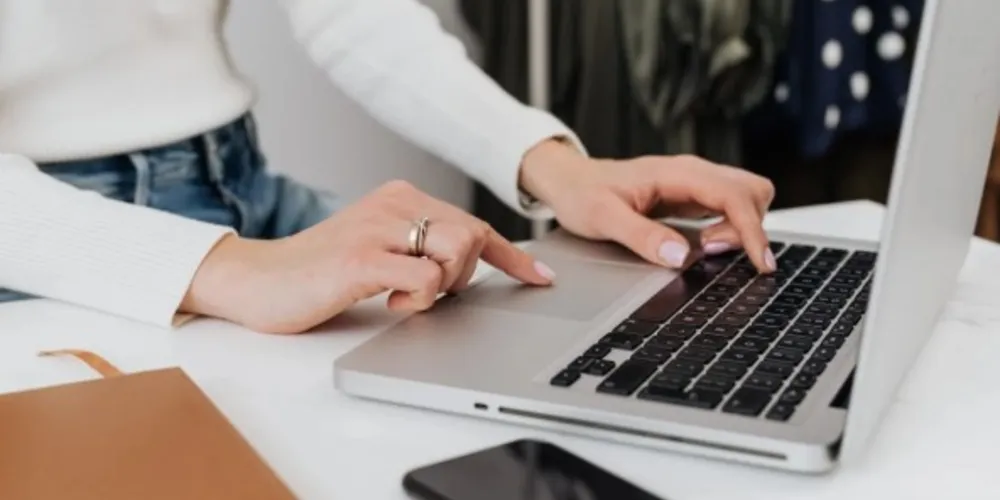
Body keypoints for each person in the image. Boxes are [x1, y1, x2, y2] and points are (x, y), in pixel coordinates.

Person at [0, 0, 776, 335]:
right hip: (49, 239)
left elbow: (351, 11)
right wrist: (228, 269)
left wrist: (556, 166)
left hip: (243, 186)